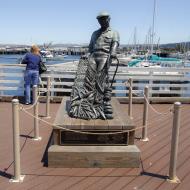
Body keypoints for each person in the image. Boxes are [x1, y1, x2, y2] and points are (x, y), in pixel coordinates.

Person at [69, 11, 120, 119]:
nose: (102, 21)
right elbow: (90, 47)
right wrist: (87, 54)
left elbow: (115, 44)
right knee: (89, 78)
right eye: (100, 20)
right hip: (94, 56)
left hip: (105, 56)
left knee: (100, 79)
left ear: (109, 19)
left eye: (104, 19)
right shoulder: (95, 33)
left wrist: (113, 52)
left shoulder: (113, 33)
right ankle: (88, 101)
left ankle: (98, 102)